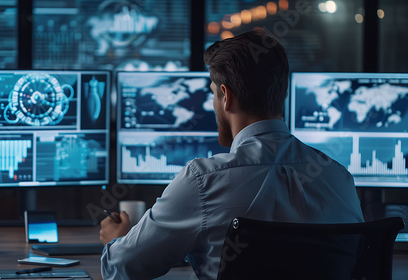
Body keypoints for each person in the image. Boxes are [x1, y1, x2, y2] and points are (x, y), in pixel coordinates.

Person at [99, 30, 364, 280]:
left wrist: (117, 239)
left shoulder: (202, 181)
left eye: (214, 94)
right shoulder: (339, 177)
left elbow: (121, 268)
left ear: (226, 96)